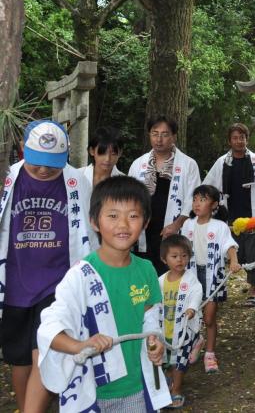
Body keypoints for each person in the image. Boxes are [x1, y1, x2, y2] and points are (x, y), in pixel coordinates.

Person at [37, 176, 171, 411]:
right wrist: (80, 345)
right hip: (92, 393)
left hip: (136, 389)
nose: (123, 225)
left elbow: (150, 319)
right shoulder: (80, 275)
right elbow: (49, 329)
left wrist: (155, 341)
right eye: (112, 215)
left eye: (133, 216)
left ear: (145, 222)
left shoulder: (146, 270)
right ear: (94, 222)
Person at [0, 119, 94, 412]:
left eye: (51, 164)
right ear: (22, 151)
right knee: (18, 356)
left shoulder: (76, 180)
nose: (43, 170)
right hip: (14, 282)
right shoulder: (8, 178)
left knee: (45, 349)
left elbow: (90, 232)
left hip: (57, 280)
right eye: (37, 162)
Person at [203, 123, 255, 307]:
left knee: (253, 250)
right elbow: (209, 184)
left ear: (247, 139)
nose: (239, 141)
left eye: (242, 137)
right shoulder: (222, 162)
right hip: (230, 213)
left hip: (252, 211)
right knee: (234, 251)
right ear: (229, 141)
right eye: (235, 138)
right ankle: (219, 288)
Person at [128, 116, 200, 276]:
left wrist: (177, 224)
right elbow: (130, 198)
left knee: (170, 274)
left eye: (165, 134)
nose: (159, 139)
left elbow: (192, 199)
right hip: (144, 229)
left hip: (173, 230)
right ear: (149, 135)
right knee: (144, 274)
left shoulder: (188, 164)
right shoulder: (138, 164)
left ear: (174, 136)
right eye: (155, 133)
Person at [181, 184, 240, 374]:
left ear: (214, 205)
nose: (197, 204)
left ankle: (210, 353)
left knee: (209, 317)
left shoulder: (220, 226)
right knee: (192, 313)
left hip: (212, 275)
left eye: (203, 200)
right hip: (191, 274)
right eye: (195, 199)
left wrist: (234, 261)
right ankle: (197, 340)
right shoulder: (187, 224)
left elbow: (229, 245)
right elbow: (181, 247)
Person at [159, 235, 202, 409]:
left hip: (183, 329)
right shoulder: (160, 281)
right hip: (165, 329)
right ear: (164, 259)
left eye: (184, 256)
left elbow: (197, 293)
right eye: (175, 256)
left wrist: (191, 308)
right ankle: (169, 379)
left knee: (180, 361)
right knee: (166, 359)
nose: (180, 260)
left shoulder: (190, 279)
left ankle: (176, 389)